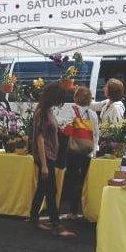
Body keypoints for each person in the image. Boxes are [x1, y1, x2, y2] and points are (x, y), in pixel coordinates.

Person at [29, 82, 76, 237]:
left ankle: (34, 218)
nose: (59, 102)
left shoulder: (47, 110)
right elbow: (40, 139)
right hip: (45, 157)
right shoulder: (42, 112)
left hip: (50, 155)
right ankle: (56, 225)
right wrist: (43, 165)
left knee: (43, 189)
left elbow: (47, 134)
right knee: (50, 190)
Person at [64, 86, 99, 220]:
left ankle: (73, 212)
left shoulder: (72, 111)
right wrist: (94, 151)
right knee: (85, 181)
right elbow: (96, 135)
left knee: (73, 180)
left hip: (74, 151)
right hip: (88, 152)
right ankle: (85, 210)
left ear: (76, 98)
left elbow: (65, 129)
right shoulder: (93, 114)